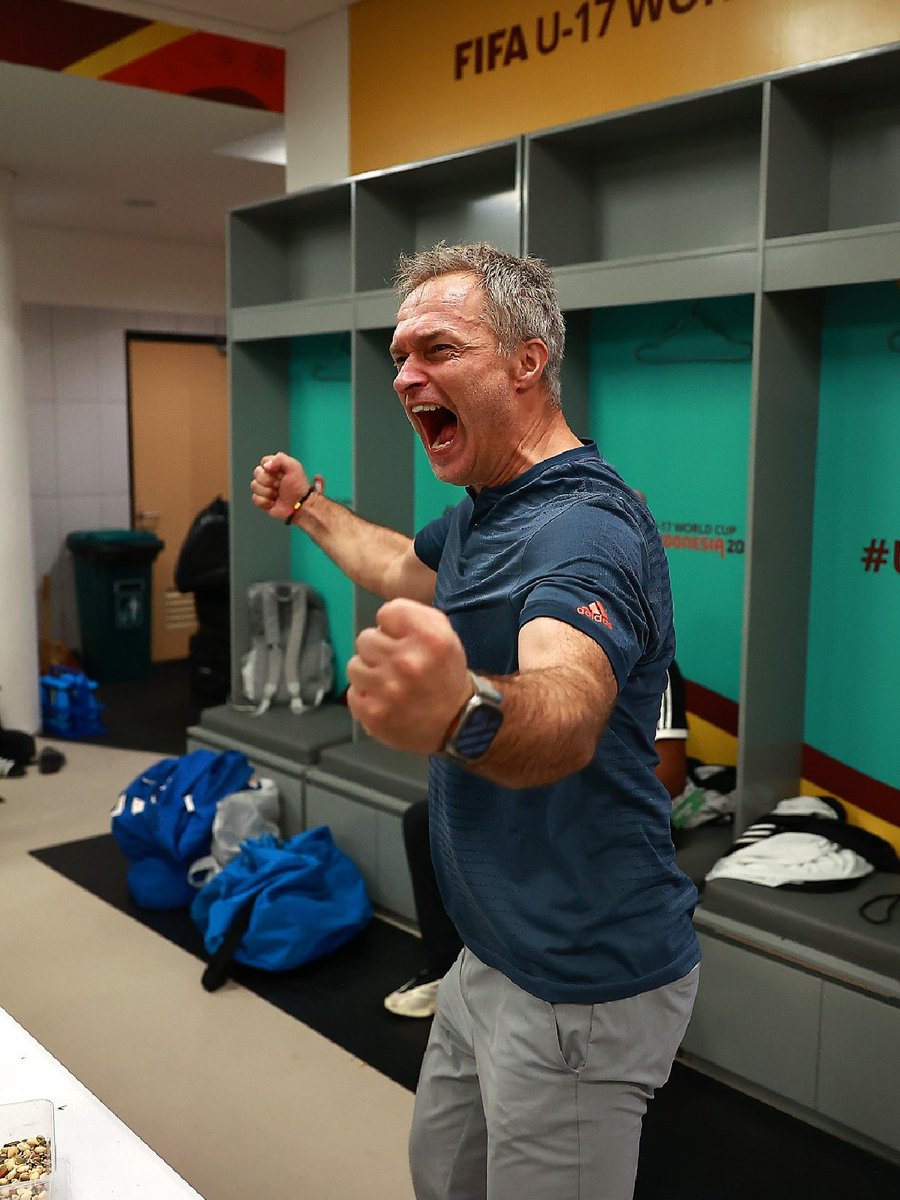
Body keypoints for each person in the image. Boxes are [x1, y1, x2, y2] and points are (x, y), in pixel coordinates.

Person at [251, 242, 700, 1200]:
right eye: (400, 354)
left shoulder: (585, 528)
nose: (407, 374)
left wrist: (461, 711)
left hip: (580, 976)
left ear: (528, 361)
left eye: (438, 349)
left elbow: (570, 707)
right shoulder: (484, 510)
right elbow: (398, 568)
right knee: (443, 1177)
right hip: (487, 952)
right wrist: (307, 509)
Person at [384, 658, 688, 1019]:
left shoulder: (648, 663)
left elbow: (668, 776)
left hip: (615, 814)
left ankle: (542, 987)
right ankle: (448, 970)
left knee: (542, 840)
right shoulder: (516, 650)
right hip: (533, 796)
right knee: (426, 819)